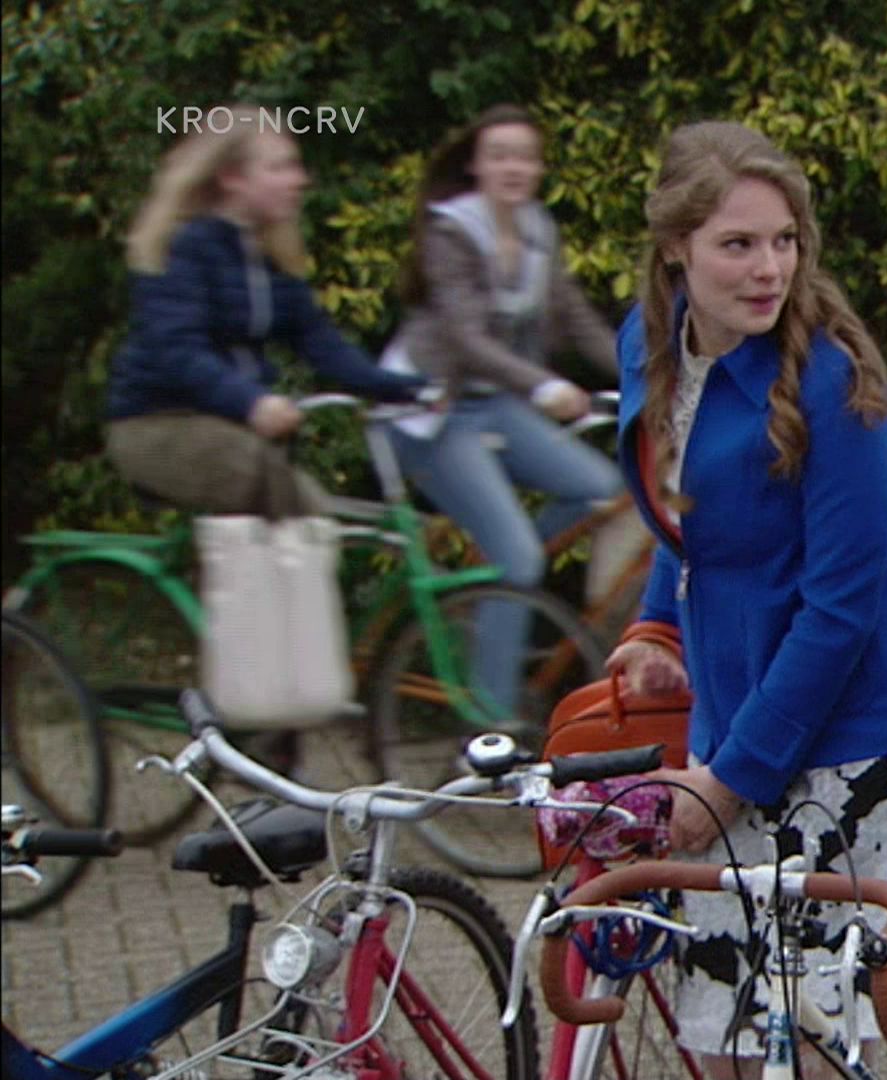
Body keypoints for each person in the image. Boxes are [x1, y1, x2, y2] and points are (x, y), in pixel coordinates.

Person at [604, 120, 887, 1075]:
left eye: (784, 241)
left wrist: (729, 779)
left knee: (805, 1054)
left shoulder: (835, 378)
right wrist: (656, 627)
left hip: (853, 746)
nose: (769, 268)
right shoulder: (648, 345)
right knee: (725, 1047)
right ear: (676, 247)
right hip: (735, 732)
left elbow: (844, 606)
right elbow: (687, 516)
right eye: (738, 244)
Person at [383, 104, 624, 722]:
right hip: (431, 413)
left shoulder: (538, 230)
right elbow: (466, 338)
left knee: (601, 489)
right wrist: (544, 386)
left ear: (540, 167)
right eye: (500, 156)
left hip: (493, 405)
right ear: (475, 165)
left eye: (525, 156)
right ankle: (489, 723)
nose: (514, 168)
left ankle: (495, 586)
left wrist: (646, 375)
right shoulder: (452, 233)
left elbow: (575, 318)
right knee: (518, 557)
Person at [105, 105, 425, 518]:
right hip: (159, 423)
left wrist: (406, 389)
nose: (299, 180)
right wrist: (252, 402)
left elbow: (320, 342)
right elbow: (178, 352)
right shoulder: (185, 247)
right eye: (279, 168)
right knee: (299, 511)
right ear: (232, 177)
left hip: (231, 426)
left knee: (313, 517)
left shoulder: (268, 257)